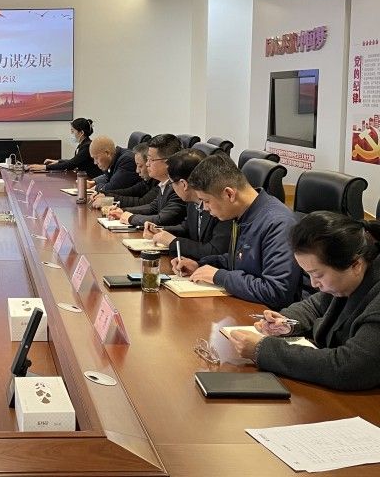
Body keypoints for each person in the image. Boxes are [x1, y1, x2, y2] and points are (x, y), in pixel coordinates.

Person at [229, 212, 380, 391]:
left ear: (356, 265)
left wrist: (262, 349)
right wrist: (286, 322)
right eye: (308, 274)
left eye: (318, 275)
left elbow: (350, 367)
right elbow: (315, 305)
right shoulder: (344, 279)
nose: (314, 284)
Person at [172, 153, 300, 309]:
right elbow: (241, 260)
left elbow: (276, 291)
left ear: (229, 194)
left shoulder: (278, 223)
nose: (205, 208)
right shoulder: (243, 214)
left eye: (206, 201)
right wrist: (200, 265)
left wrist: (220, 277)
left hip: (269, 316)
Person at [143, 148, 232, 260]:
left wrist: (173, 241)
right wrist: (161, 231)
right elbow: (187, 228)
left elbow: (215, 251)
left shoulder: (220, 204)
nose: (171, 187)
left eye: (171, 183)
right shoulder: (191, 201)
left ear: (184, 184)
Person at [107, 134, 185, 228]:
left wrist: (130, 218)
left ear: (168, 162)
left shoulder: (179, 187)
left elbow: (162, 219)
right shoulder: (165, 184)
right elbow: (152, 207)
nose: (147, 164)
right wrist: (123, 211)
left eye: (151, 160)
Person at [30, 118, 101, 178]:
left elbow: (71, 164)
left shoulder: (87, 146)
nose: (71, 133)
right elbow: (75, 161)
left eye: (73, 131)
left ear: (81, 132)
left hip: (91, 179)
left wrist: (44, 167)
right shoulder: (83, 144)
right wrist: (58, 161)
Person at [93, 143, 156, 209]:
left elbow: (142, 203)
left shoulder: (159, 183)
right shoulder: (148, 181)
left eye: (140, 166)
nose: (137, 171)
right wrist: (105, 194)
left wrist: (107, 201)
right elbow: (131, 191)